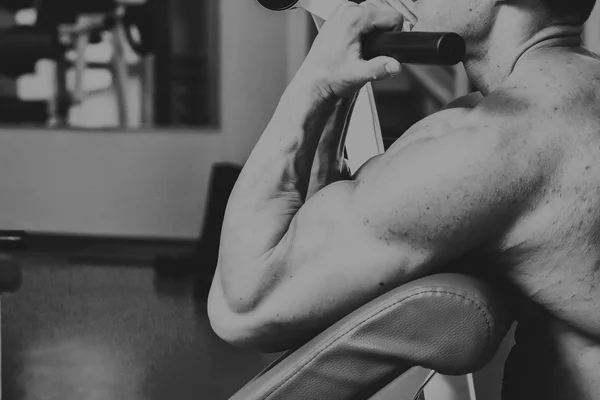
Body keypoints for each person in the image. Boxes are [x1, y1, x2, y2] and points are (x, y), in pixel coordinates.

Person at [208, 0, 600, 397]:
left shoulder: (493, 145)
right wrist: (337, 89)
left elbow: (241, 306)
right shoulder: (568, 101)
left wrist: (315, 83)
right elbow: (312, 240)